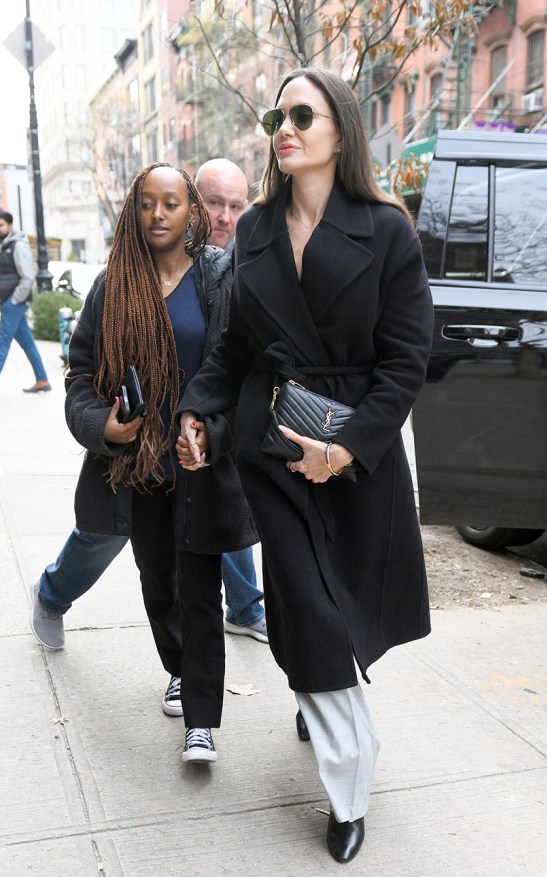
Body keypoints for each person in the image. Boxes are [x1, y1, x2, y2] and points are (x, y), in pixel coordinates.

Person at [177, 68, 433, 862]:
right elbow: (232, 349)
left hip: (357, 452)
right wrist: (199, 411)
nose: (282, 128)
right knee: (313, 617)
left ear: (339, 129)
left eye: (301, 114)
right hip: (273, 449)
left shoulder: (387, 231)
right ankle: (349, 785)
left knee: (339, 610)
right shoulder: (253, 229)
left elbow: (406, 360)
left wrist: (348, 446)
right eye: (274, 116)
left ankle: (321, 700)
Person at [38, 162, 257, 764]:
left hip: (201, 465)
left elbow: (239, 371)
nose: (158, 214)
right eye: (146, 204)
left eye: (171, 203)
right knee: (159, 585)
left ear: (190, 212)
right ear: (132, 213)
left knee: (201, 592)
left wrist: (211, 431)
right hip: (140, 471)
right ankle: (179, 669)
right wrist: (102, 427)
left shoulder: (217, 277)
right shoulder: (113, 285)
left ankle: (202, 723)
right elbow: (79, 375)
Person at [194, 158, 266, 641]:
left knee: (229, 505)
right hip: (157, 425)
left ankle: (245, 609)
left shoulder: (248, 266)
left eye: (236, 205)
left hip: (215, 420)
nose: (224, 216)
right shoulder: (164, 263)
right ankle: (51, 593)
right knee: (105, 533)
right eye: (213, 203)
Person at [0, 210, 51, 396]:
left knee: (2, 341)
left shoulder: (17, 245)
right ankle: (43, 380)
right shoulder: (0, 245)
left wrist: (14, 300)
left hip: (13, 302)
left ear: (9, 225)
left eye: (1, 225)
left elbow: (28, 277)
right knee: (27, 343)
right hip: (7, 302)